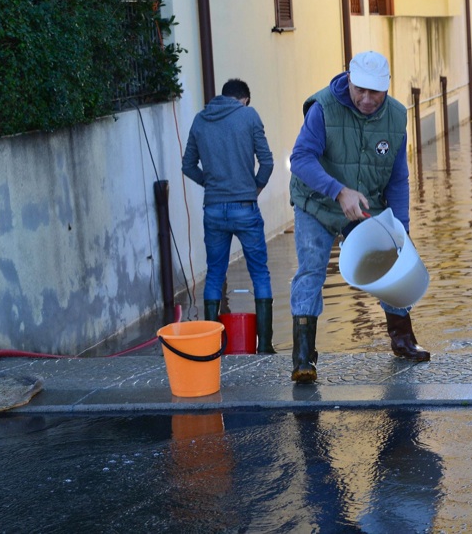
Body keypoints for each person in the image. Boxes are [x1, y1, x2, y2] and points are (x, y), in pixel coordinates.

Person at [288, 50, 430, 384]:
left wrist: (402, 229)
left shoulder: (396, 116)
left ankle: (402, 340)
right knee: (311, 269)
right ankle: (303, 356)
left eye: (375, 92)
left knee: (394, 258)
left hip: (366, 201)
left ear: (387, 88)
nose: (366, 99)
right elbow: (300, 159)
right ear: (349, 80)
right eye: (360, 90)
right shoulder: (322, 108)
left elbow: (397, 178)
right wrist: (338, 191)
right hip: (317, 203)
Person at [182, 78, 276, 353]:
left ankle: (211, 347)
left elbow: (188, 165)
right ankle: (265, 346)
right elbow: (267, 162)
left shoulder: (201, 119)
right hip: (245, 206)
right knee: (259, 274)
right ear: (243, 99)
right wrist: (254, 188)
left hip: (213, 208)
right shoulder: (248, 115)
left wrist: (211, 185)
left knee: (214, 274)